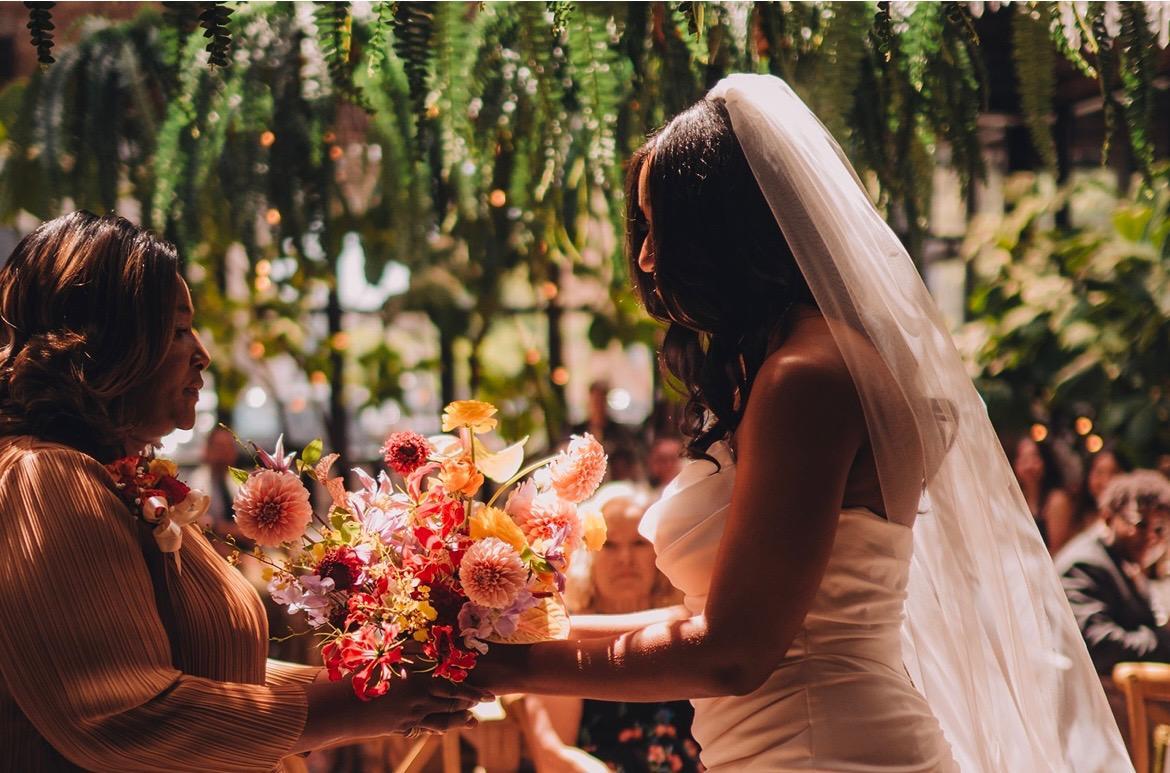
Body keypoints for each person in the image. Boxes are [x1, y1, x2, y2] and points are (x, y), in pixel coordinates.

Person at [471, 75, 1127, 770]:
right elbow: (703, 616)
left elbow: (733, 652)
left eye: (660, 229)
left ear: (722, 231)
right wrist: (503, 636)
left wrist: (499, 669)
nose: (646, 258)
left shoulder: (804, 379)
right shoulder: (814, 363)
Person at [0, 212, 487, 771]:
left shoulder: (110, 477)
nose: (202, 353)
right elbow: (124, 715)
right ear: (106, 343)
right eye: (177, 330)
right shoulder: (42, 478)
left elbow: (208, 674)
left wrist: (383, 689)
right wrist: (367, 705)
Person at [523, 484, 701, 773]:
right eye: (609, 545)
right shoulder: (564, 640)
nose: (625, 558)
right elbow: (554, 754)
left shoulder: (687, 626)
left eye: (639, 543)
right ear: (588, 556)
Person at [1056, 470, 1170, 675]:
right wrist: (1163, 639)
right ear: (1108, 517)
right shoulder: (1085, 564)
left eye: (1160, 529)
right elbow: (1098, 645)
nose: (1150, 537)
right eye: (1140, 524)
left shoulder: (1121, 561)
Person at [1010, 435, 1078, 554]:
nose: (1029, 466)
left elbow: (1058, 550)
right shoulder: (1014, 500)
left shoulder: (1057, 500)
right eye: (1023, 459)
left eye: (1034, 458)